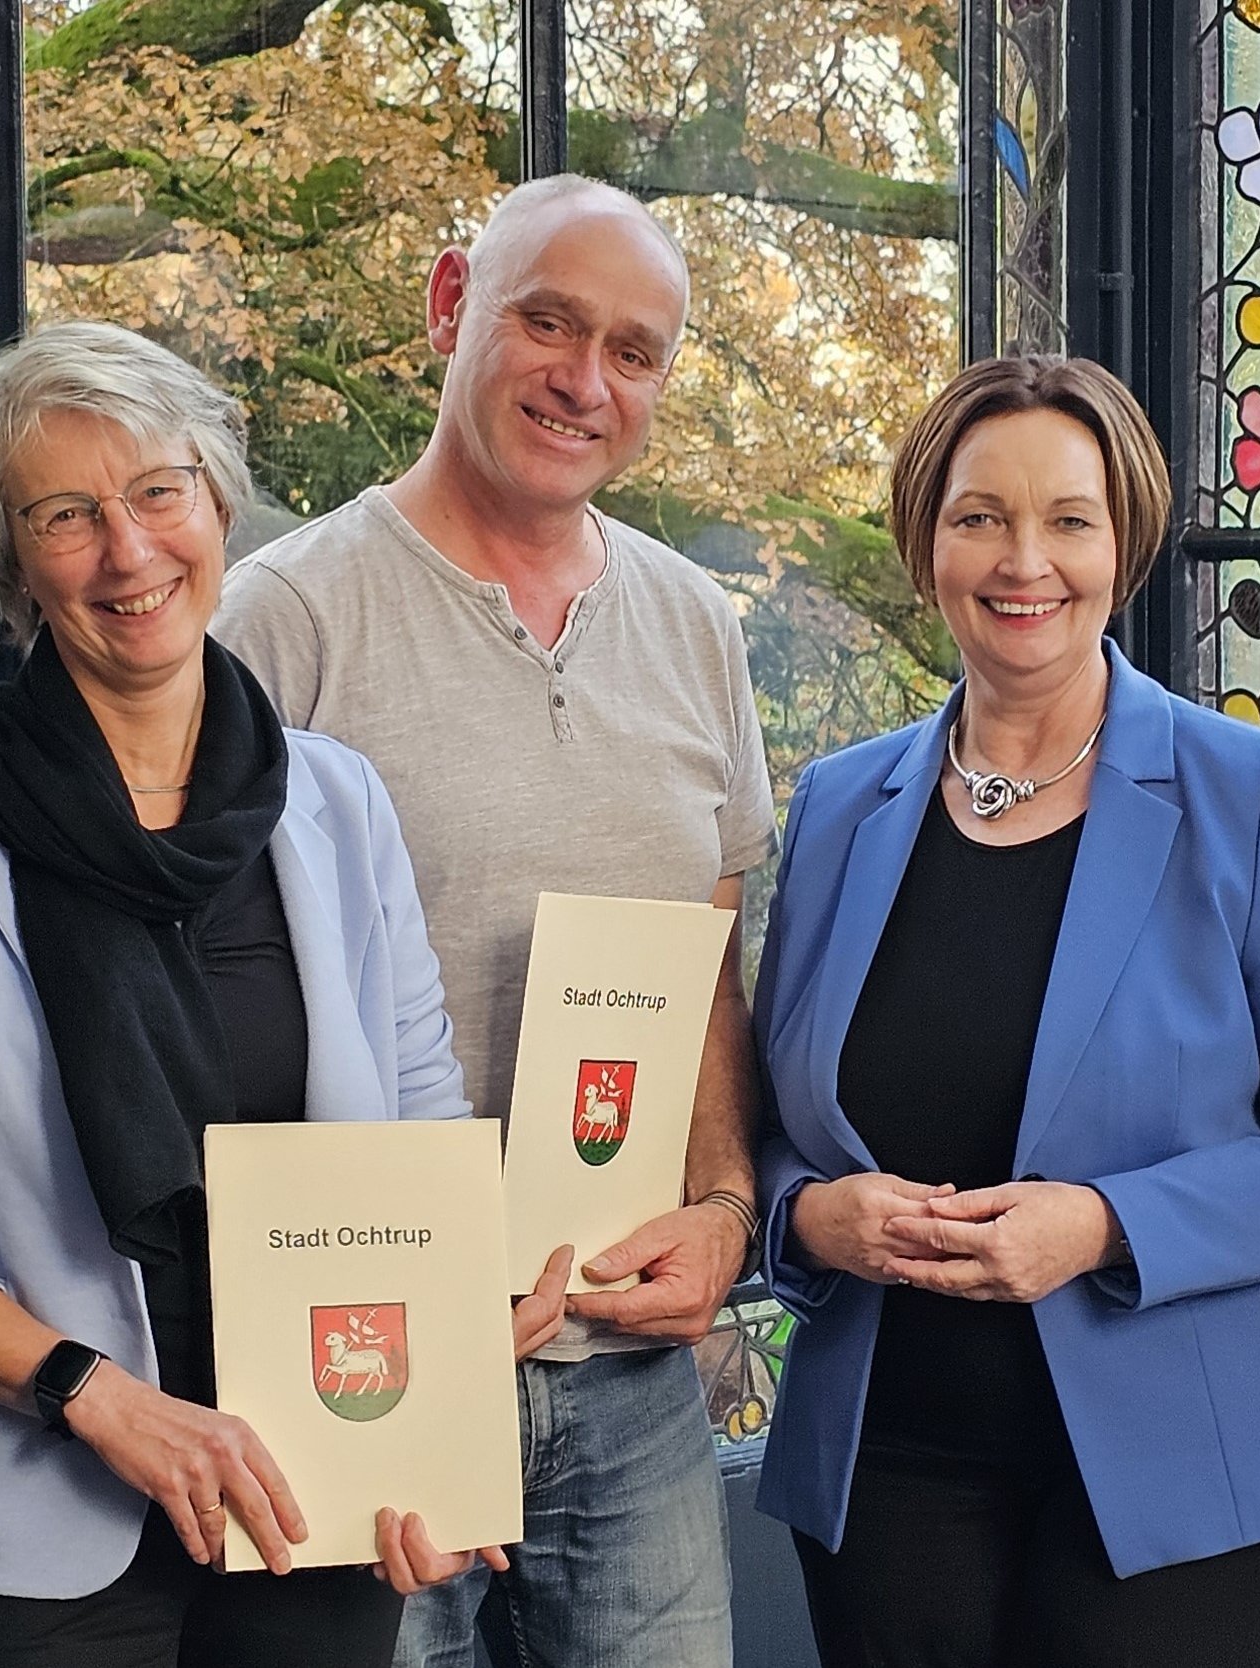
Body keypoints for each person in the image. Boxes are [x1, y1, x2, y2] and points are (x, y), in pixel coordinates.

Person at [0, 320, 563, 1666]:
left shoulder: (335, 801)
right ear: (14, 563)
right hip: (40, 1502)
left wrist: (448, 1383)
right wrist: (94, 1396)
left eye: (157, 493)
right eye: (66, 515)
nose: (128, 553)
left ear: (220, 504)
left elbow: (421, 1124)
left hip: (319, 1476)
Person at [748, 356, 1260, 1668]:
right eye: (979, 517)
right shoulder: (839, 808)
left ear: (1124, 542)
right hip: (889, 1474)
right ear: (925, 540)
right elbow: (778, 1121)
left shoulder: (1257, 793)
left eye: (1069, 519)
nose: (1026, 561)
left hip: (1207, 1479)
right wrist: (807, 1216)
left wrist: (1107, 1225)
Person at [210, 176, 765, 1668]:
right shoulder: (281, 622)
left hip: (638, 1381)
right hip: (375, 1369)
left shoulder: (698, 629)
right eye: (548, 323)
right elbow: (207, 1005)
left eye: (635, 352)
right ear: (453, 304)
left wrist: (723, 1210)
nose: (587, 382)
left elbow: (710, 961)